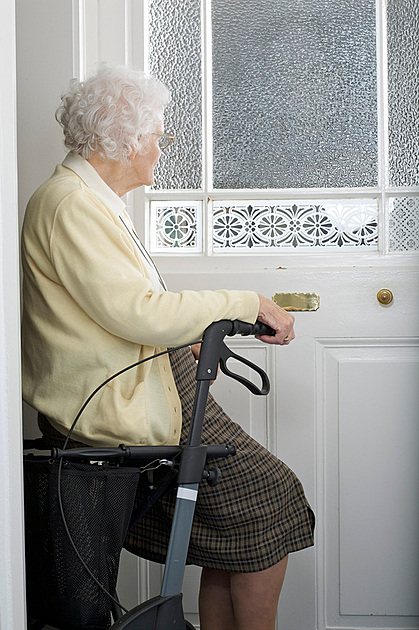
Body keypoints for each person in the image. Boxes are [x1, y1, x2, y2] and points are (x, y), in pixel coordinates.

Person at [21, 63, 314, 630]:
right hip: (119, 402)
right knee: (270, 498)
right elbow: (138, 312)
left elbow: (120, 310)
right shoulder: (71, 204)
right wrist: (246, 301)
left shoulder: (90, 200)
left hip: (155, 381)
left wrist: (206, 326)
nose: (161, 148)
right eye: (158, 136)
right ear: (126, 140)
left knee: (251, 517)